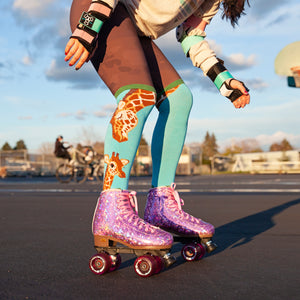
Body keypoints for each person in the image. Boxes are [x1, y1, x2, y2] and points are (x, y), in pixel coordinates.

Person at [65, 0, 250, 255]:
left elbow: (190, 36)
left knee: (179, 99)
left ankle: (161, 205)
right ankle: (111, 210)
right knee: (138, 96)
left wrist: (224, 79)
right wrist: (87, 29)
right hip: (102, 10)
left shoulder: (211, 2)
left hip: (135, 31)